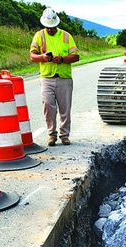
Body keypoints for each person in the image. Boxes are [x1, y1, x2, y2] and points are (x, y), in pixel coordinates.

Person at [30, 8, 80, 146]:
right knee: (48, 106)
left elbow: (76, 56)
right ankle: (51, 134)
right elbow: (32, 56)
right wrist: (43, 57)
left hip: (64, 77)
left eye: (52, 27)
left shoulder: (66, 36)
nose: (50, 30)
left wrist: (62, 59)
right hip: (47, 77)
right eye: (48, 27)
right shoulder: (39, 36)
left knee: (65, 108)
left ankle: (65, 135)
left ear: (56, 24)